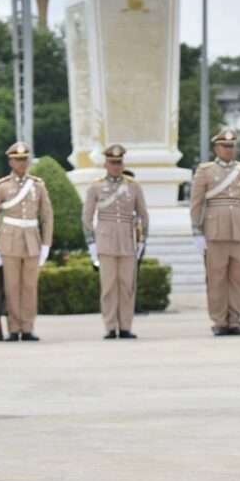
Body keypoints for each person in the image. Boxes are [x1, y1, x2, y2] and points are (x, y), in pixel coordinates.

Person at [190, 128, 240, 336]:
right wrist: (197, 231)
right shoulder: (205, 171)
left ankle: (235, 320)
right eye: (224, 146)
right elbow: (196, 204)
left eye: (231, 146)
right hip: (215, 233)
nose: (229, 150)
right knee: (216, 279)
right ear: (216, 148)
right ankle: (220, 321)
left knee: (239, 280)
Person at [0, 142, 54, 342]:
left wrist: (46, 244)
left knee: (30, 287)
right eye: (17, 160)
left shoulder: (38, 185)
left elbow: (47, 216)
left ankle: (28, 327)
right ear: (10, 162)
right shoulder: (2, 186)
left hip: (32, 240)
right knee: (12, 287)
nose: (21, 163)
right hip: (9, 240)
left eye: (24, 159)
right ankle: (14, 328)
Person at [83, 144, 149, 339]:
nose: (116, 166)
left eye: (119, 162)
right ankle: (110, 326)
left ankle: (126, 326)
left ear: (123, 164)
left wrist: (142, 241)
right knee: (109, 286)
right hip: (106, 241)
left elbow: (143, 215)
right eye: (112, 162)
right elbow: (87, 217)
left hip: (127, 240)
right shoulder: (95, 186)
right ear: (105, 164)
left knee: (127, 285)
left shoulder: (133, 186)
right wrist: (92, 243)